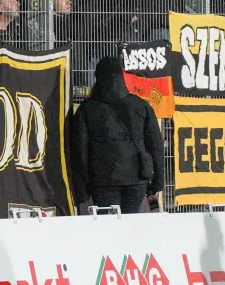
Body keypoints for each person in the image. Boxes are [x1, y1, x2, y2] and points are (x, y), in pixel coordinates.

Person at [71, 56, 165, 213]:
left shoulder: (86, 109)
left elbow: (80, 151)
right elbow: (155, 145)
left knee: (107, 227)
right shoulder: (141, 106)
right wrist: (158, 181)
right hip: (137, 178)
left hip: (102, 181)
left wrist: (81, 189)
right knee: (130, 225)